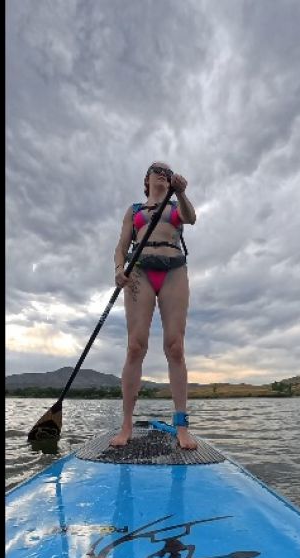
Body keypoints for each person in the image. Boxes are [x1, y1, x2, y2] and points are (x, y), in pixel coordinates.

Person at [110, 161, 198, 449]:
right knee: (135, 346)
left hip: (174, 270)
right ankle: (126, 425)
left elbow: (191, 218)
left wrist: (181, 192)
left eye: (167, 172)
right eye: (156, 170)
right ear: (146, 180)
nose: (162, 173)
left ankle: (181, 425)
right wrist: (119, 269)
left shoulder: (175, 205)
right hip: (140, 271)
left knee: (175, 346)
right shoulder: (134, 210)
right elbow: (121, 246)